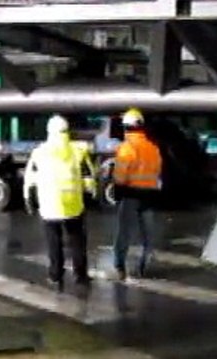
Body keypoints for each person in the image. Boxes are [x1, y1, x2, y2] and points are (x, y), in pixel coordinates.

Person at [23, 114, 98, 290]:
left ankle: (55, 275)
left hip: (49, 207)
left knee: (53, 242)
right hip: (74, 206)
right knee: (77, 242)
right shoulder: (78, 150)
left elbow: (30, 179)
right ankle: (81, 276)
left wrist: (28, 200)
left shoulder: (39, 152)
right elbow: (89, 177)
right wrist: (91, 195)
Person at [111, 108, 162, 280]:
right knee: (147, 235)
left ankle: (120, 267)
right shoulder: (153, 148)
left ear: (126, 127)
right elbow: (157, 172)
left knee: (124, 233)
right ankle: (143, 267)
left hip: (130, 195)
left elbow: (120, 176)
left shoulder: (126, 148)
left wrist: (117, 190)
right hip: (149, 196)